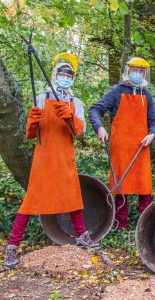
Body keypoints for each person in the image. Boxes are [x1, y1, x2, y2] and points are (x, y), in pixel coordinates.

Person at [4, 53, 100, 270]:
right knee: (31, 202)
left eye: (70, 74)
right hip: (43, 158)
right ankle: (12, 245)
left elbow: (79, 132)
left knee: (73, 197)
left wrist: (70, 116)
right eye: (62, 73)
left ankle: (81, 236)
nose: (65, 76)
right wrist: (32, 123)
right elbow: (30, 135)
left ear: (73, 77)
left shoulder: (77, 102)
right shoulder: (40, 98)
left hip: (65, 157)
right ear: (55, 75)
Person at [88, 57, 155, 229]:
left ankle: (145, 224)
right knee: (120, 185)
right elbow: (95, 110)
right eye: (135, 70)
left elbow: (154, 121)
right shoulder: (116, 91)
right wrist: (99, 128)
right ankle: (120, 223)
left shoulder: (146, 96)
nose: (138, 74)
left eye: (141, 71)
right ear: (128, 71)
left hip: (141, 148)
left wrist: (152, 134)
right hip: (120, 148)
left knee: (144, 186)